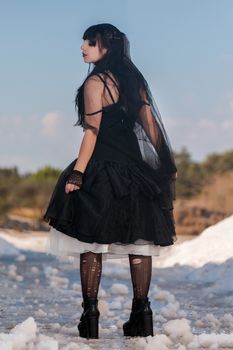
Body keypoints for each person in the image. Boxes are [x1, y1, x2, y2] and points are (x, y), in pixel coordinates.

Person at [43, 23, 177, 339]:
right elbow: (151, 129)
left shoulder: (95, 82)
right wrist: (160, 166)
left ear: (106, 47)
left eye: (90, 42)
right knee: (139, 243)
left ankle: (90, 318)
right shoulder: (134, 82)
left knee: (91, 242)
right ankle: (141, 316)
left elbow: (92, 133)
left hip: (102, 170)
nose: (82, 47)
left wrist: (78, 173)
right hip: (136, 171)